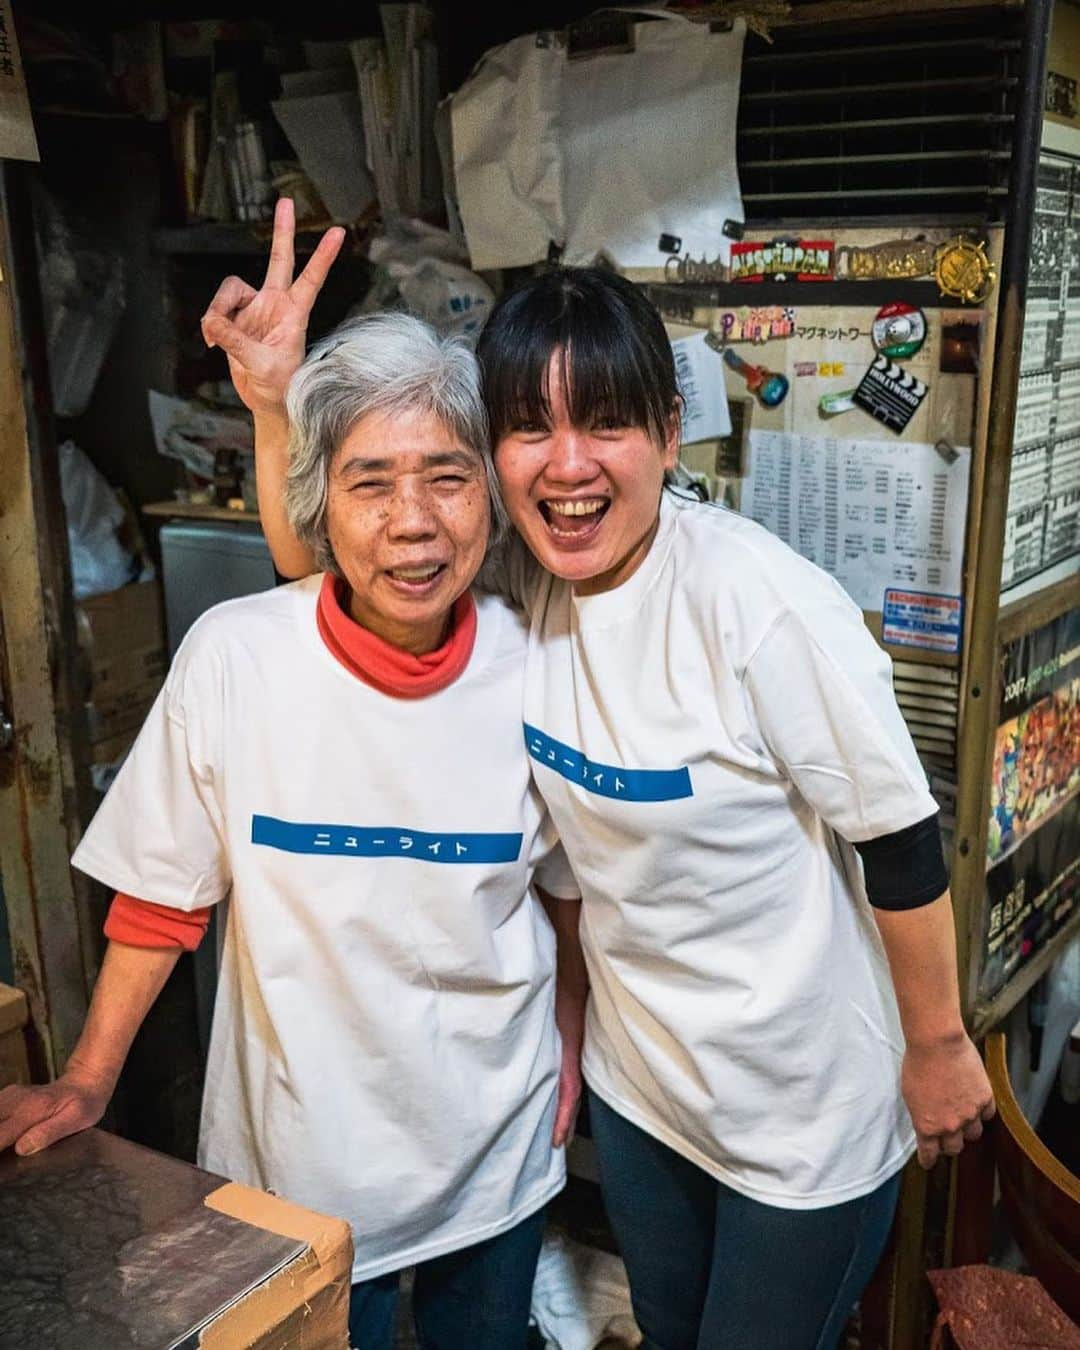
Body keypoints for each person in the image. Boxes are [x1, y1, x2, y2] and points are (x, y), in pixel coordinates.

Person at [203, 204, 996, 1350]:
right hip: (644, 1098)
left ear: (670, 437)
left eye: (607, 424)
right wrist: (280, 405)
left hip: (800, 1112)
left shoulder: (757, 605)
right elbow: (332, 578)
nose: (568, 466)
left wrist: (937, 1044)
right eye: (529, 427)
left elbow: (900, 835)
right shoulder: (527, 576)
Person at [0, 288, 587, 1350]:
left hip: (494, 1157)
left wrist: (575, 1045)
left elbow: (569, 895)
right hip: (293, 1170)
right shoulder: (239, 656)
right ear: (319, 507)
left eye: (448, 479)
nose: (413, 522)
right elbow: (161, 897)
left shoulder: (538, 664)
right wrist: (89, 1077)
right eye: (372, 484)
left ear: (491, 504)